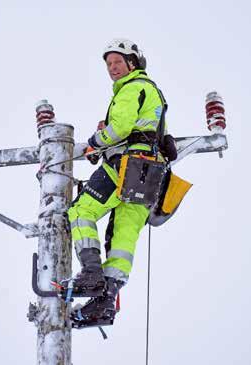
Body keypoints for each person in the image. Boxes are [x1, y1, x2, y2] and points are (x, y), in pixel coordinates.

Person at [67, 38, 169, 326]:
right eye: (109, 64)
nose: (113, 68)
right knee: (122, 239)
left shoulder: (132, 88)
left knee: (80, 211)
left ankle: (91, 273)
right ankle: (105, 301)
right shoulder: (154, 95)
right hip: (151, 175)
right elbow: (145, 132)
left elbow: (122, 128)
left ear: (132, 63)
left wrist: (94, 143)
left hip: (127, 166)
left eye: (117, 62)